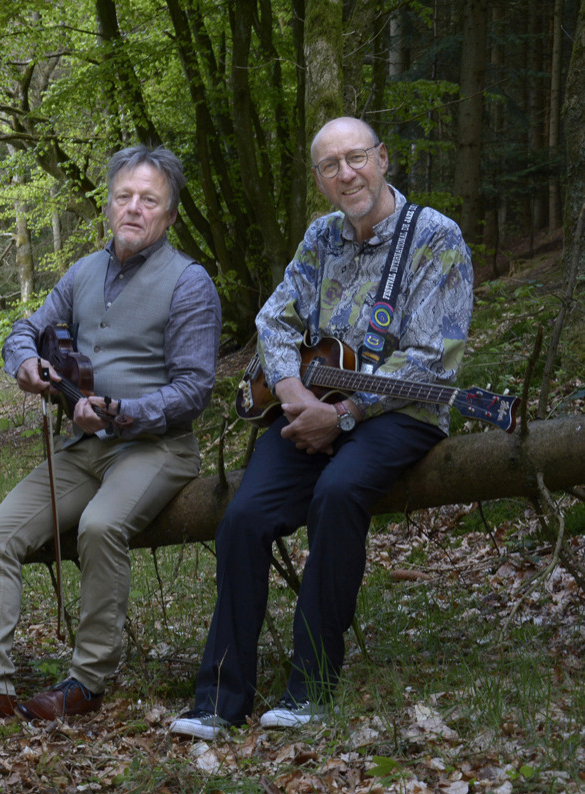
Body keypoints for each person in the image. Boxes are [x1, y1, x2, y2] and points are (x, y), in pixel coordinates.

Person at [169, 117, 474, 740]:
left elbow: (432, 359)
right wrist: (291, 392)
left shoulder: (435, 237)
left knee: (337, 495)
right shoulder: (321, 238)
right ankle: (219, 700)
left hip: (400, 415)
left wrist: (343, 413)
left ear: (382, 159)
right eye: (331, 166)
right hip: (309, 406)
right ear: (320, 179)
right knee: (244, 519)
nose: (346, 174)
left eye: (356, 158)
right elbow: (275, 318)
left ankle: (310, 690)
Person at [0, 146, 222, 734]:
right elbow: (24, 328)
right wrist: (24, 361)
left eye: (149, 200)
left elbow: (194, 391)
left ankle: (86, 681)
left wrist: (120, 411)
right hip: (82, 451)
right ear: (108, 204)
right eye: (124, 196)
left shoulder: (189, 283)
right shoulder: (83, 272)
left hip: (157, 448)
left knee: (100, 526)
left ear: (170, 214)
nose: (133, 208)